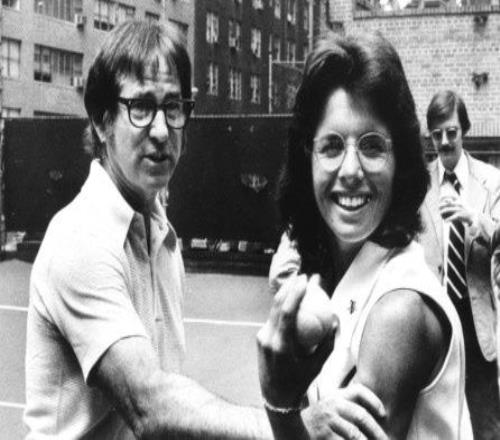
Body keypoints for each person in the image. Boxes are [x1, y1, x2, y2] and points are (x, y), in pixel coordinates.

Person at [23, 20, 388, 439]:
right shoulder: (81, 239)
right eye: (140, 107)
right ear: (103, 121)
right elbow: (149, 405)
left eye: (173, 107)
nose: (161, 130)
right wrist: (288, 425)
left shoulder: (160, 234)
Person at [257, 31, 473, 439]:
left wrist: (279, 402)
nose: (351, 170)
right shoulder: (340, 275)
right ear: (308, 158)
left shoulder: (399, 312)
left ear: (399, 162)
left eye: (372, 146)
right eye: (332, 146)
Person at [418, 89, 500, 439]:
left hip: (475, 322)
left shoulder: (490, 180)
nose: (444, 141)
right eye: (436, 134)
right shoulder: (420, 184)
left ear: (464, 129)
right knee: (433, 424)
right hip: (434, 322)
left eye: (451, 132)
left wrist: (474, 219)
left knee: (487, 426)